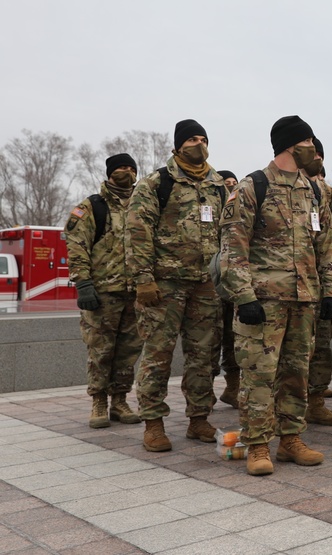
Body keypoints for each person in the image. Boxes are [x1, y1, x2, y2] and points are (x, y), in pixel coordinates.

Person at [219, 116, 332, 474]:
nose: (314, 149)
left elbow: (326, 246)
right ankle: (257, 445)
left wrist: (330, 291)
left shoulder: (313, 191)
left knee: (296, 373)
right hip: (263, 301)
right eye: (310, 142)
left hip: (304, 300)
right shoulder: (253, 186)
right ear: (292, 144)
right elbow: (232, 248)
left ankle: (290, 439)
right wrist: (244, 297)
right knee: (259, 374)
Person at [127, 120, 227, 452]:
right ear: (177, 146)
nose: (198, 143)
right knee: (158, 355)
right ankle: (153, 423)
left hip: (206, 286)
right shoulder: (157, 183)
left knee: (204, 356)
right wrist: (143, 279)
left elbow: (231, 234)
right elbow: (138, 233)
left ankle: (199, 418)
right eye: (191, 139)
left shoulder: (219, 186)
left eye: (203, 138)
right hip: (164, 286)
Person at [66, 153, 144, 429]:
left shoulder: (143, 204)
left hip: (136, 292)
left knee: (129, 350)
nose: (127, 172)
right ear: (110, 172)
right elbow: (77, 247)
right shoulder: (91, 207)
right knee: (100, 349)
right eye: (122, 168)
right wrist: (83, 284)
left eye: (131, 168)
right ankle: (98, 401)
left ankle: (120, 400)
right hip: (103, 292)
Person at [301, 138, 332, 427]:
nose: (315, 158)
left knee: (321, 347)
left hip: (321, 287)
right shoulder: (271, 189)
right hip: (286, 288)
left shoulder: (329, 195)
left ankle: (315, 401)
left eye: (319, 154)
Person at [213, 169, 241, 408]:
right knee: (211, 340)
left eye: (235, 183)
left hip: (233, 285)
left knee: (233, 339)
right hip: (211, 285)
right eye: (227, 183)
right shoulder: (212, 209)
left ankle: (233, 387)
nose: (231, 186)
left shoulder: (241, 211)